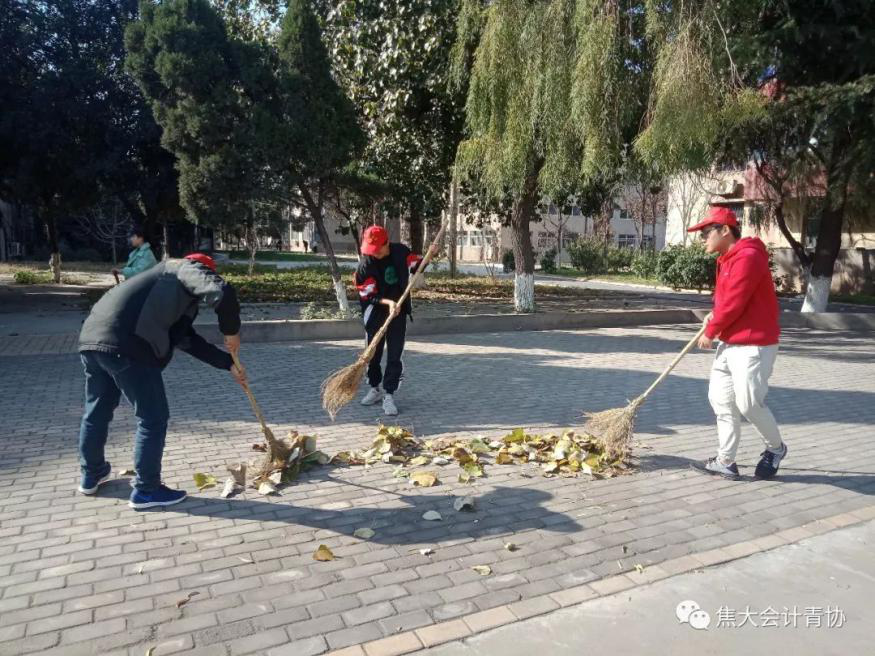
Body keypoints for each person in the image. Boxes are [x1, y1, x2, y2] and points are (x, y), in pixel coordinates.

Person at [77, 253, 246, 509]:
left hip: (92, 342)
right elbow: (222, 293)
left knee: (97, 411)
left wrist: (228, 364)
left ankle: (92, 474)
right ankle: (146, 490)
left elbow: (185, 339)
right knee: (152, 418)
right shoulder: (183, 268)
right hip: (130, 347)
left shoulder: (161, 288)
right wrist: (231, 332)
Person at [688, 206, 787, 481]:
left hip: (753, 345)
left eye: (706, 233)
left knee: (749, 404)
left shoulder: (748, 257)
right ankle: (725, 461)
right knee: (721, 401)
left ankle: (776, 448)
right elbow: (727, 298)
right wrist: (714, 313)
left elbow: (735, 301)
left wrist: (711, 330)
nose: (703, 239)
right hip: (730, 343)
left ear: (725, 230)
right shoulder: (727, 258)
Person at [354, 226, 423, 416]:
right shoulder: (365, 265)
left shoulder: (400, 252)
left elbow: (416, 266)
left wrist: (428, 256)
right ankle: (374, 388)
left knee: (394, 354)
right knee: (373, 354)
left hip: (398, 313)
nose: (374, 253)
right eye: (371, 250)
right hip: (375, 312)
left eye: (377, 249)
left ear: (386, 244)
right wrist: (388, 303)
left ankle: (389, 395)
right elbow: (368, 295)